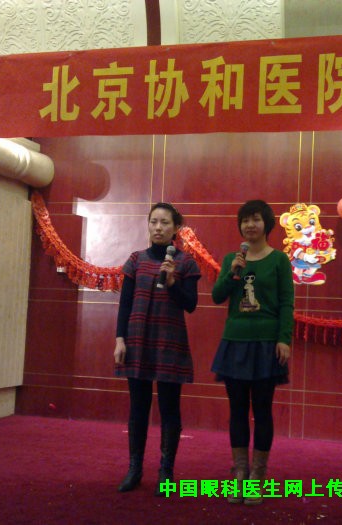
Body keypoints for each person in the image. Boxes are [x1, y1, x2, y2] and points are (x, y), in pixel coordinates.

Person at [211, 199, 295, 505]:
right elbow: (217, 296)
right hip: (235, 341)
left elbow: (286, 302)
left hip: (265, 343)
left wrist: (284, 339)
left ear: (266, 224)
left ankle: (257, 476)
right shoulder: (232, 259)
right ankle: (239, 473)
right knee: (237, 410)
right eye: (245, 220)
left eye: (256, 219)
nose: (250, 225)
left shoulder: (280, 260)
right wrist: (232, 272)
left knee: (261, 410)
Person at [113, 203, 201, 496]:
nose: (158, 227)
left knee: (169, 408)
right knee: (138, 408)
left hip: (169, 341)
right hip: (137, 340)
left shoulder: (186, 263)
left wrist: (173, 282)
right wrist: (120, 339)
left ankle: (166, 471)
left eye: (165, 222)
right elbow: (125, 303)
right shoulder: (136, 260)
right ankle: (134, 469)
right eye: (154, 222)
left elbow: (190, 304)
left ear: (176, 228)